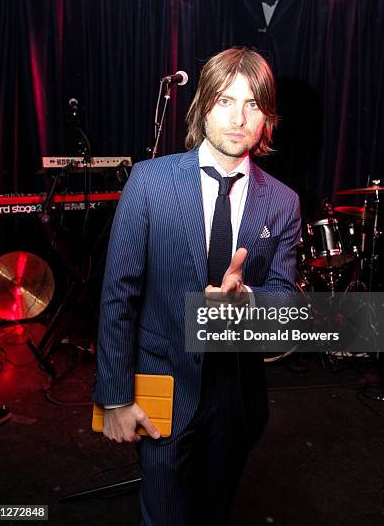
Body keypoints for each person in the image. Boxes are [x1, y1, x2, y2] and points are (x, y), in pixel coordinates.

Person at [92, 47, 301, 525]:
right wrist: (116, 397)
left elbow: (286, 299)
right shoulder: (148, 183)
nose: (238, 117)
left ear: (267, 117)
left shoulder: (284, 202)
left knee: (214, 513)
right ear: (203, 105)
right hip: (158, 391)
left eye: (253, 104)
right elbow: (117, 297)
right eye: (226, 100)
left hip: (237, 402)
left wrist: (246, 301)